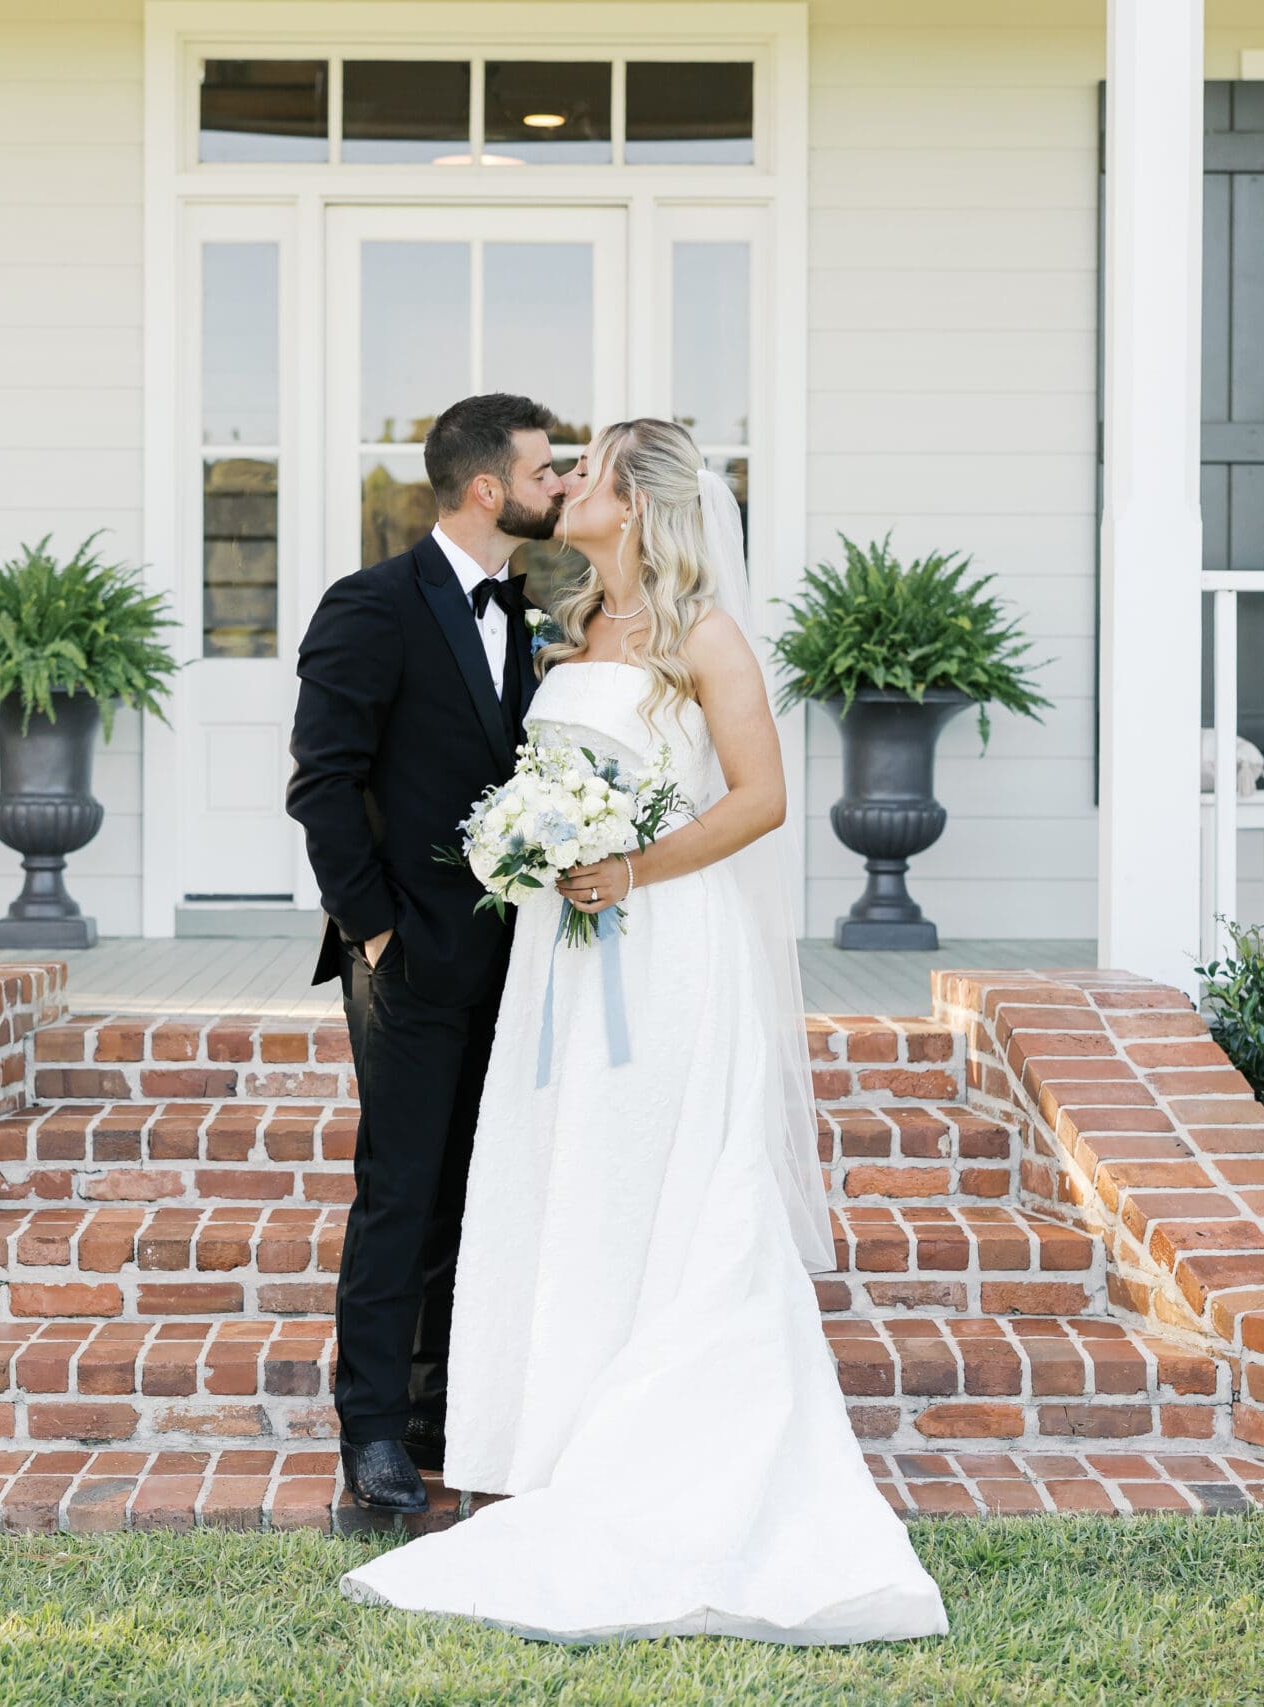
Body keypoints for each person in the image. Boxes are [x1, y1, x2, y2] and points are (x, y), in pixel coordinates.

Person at [332, 418, 949, 1645]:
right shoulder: (568, 628)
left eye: (590, 470)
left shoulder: (703, 634)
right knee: (573, 1176)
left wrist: (631, 867)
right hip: (561, 962)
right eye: (561, 469)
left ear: (640, 502)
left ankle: (671, 1448)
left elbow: (762, 800)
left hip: (663, 948)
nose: (568, 484)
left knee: (659, 1184)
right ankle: (563, 1434)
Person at [286, 392, 569, 1513]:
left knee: (477, 1186)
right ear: (489, 487)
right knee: (400, 1190)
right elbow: (323, 782)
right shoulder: (370, 604)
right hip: (406, 955)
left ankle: (440, 1405)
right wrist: (375, 930)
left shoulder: (538, 611)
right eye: (545, 471)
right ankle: (369, 1431)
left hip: (520, 958)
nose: (560, 486)